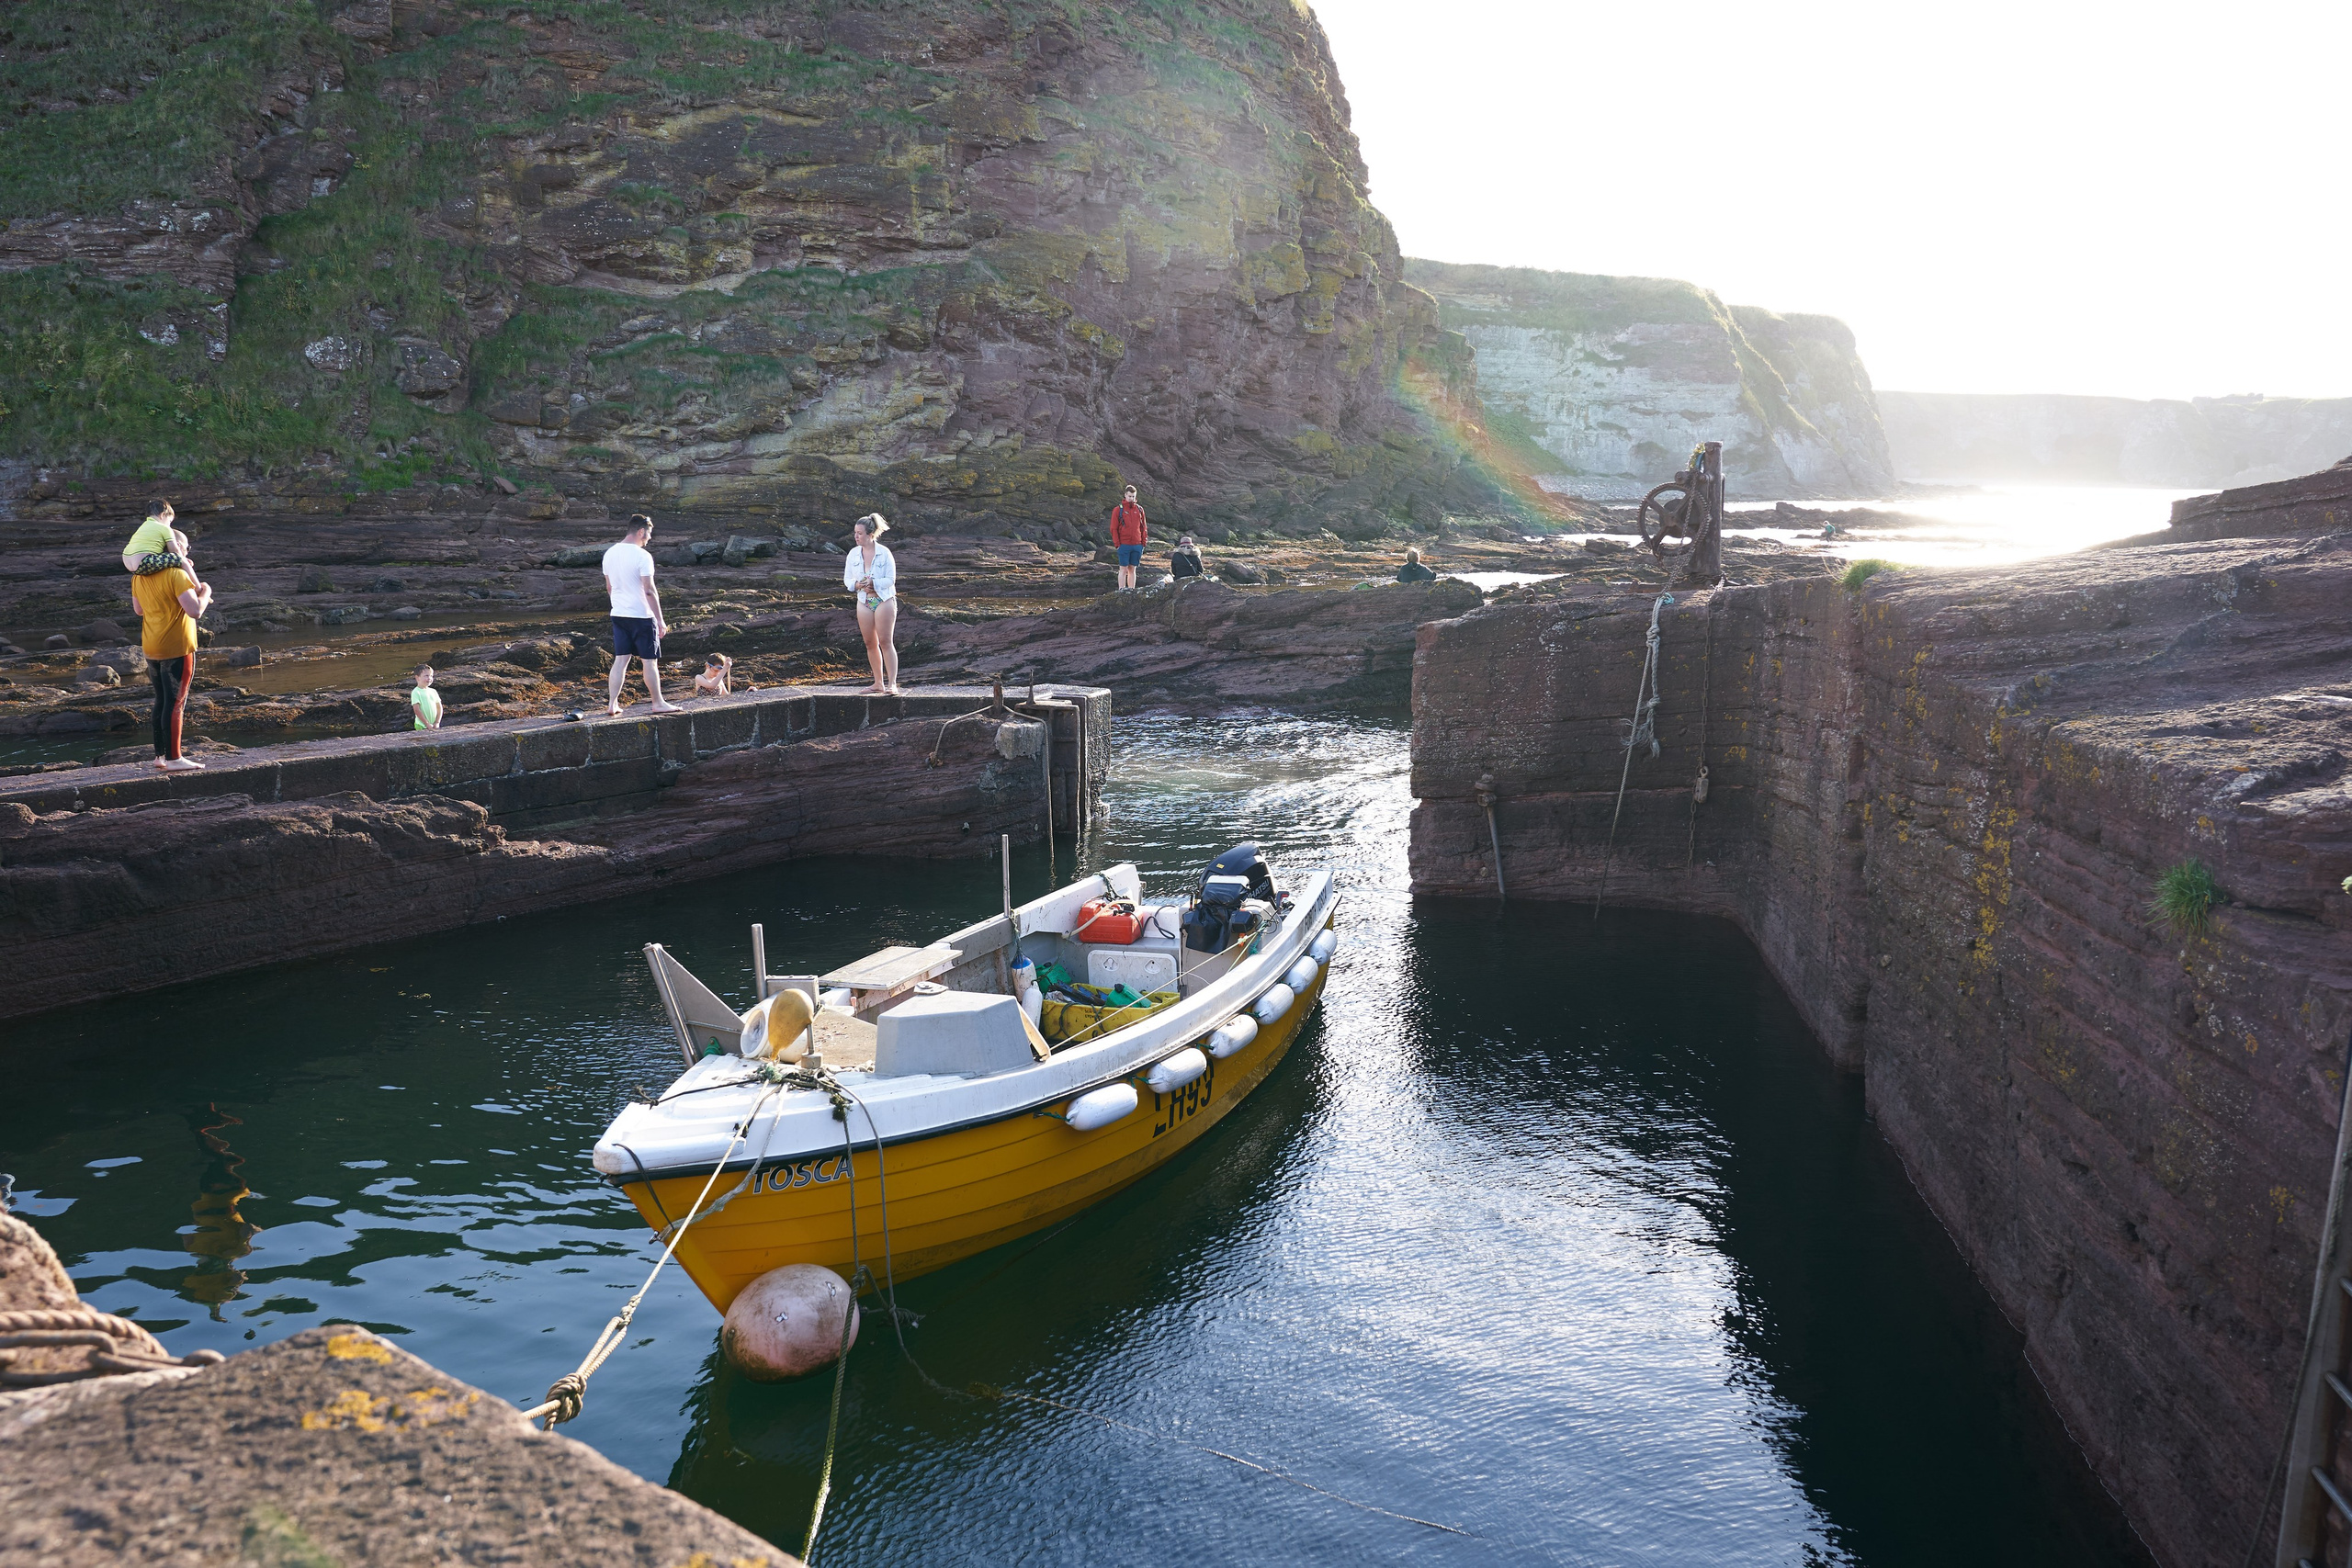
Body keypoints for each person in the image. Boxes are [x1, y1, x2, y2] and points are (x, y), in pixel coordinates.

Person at [133, 527, 211, 772]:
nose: (188, 552)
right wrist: (206, 591)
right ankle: (175, 758)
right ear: (175, 548)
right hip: (177, 645)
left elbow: (139, 610)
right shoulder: (177, 575)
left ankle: (160, 756)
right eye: (186, 547)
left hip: (151, 644)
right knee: (176, 703)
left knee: (161, 701)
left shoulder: (138, 576)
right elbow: (195, 611)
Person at [602, 514, 679, 716]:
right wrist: (660, 620)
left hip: (618, 614)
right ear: (641, 531)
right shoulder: (642, 556)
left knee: (621, 660)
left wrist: (620, 605)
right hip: (641, 616)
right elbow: (649, 590)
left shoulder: (609, 553)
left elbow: (609, 587)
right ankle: (658, 703)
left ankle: (612, 704)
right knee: (649, 661)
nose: (649, 539)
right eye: (649, 534)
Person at [844, 513, 899, 694]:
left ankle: (892, 684)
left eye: (859, 533)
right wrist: (857, 585)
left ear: (870, 534)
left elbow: (891, 579)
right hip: (863, 601)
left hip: (883, 599)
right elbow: (847, 580)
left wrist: (875, 584)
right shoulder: (853, 554)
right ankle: (878, 683)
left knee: (885, 641)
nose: (856, 536)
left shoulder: (884, 553)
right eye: (855, 533)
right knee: (870, 643)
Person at [122, 500, 187, 574]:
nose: (169, 525)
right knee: (183, 561)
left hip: (128, 564)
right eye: (169, 521)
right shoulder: (165, 528)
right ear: (162, 515)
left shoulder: (143, 527)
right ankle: (197, 585)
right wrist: (184, 560)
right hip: (144, 562)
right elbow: (175, 551)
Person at [1109, 484, 1148, 590]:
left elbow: (1143, 527)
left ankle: (1131, 590)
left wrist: (1143, 543)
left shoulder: (1139, 509)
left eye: (1133, 496)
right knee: (1123, 569)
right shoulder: (1118, 510)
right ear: (1125, 495)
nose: (1131, 498)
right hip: (1124, 544)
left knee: (1132, 569)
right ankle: (1122, 590)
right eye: (1130, 496)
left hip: (1137, 544)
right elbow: (1113, 528)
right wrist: (1117, 544)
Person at [409, 664, 443, 731]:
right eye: (426, 676)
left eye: (431, 676)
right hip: (421, 725)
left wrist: (437, 722)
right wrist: (426, 724)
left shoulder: (433, 691)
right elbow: (417, 710)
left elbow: (439, 707)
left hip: (433, 724)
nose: (429, 678)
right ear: (418, 678)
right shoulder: (416, 692)